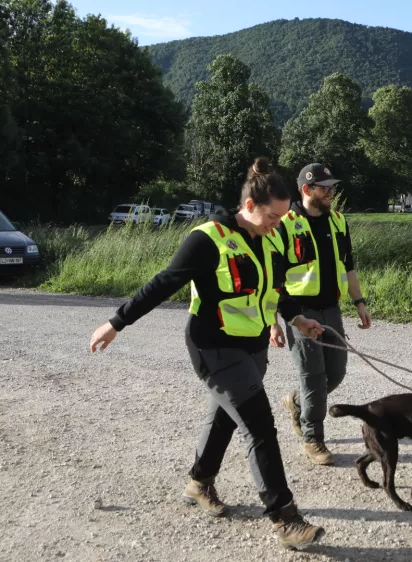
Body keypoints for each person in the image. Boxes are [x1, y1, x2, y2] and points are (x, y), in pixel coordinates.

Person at [88, 157, 326, 550]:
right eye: (272, 216)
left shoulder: (268, 240)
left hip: (252, 348)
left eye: (283, 217)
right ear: (248, 205)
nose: (278, 224)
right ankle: (286, 518)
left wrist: (297, 319)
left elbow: (274, 289)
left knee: (225, 419)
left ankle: (199, 482)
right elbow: (163, 283)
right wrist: (116, 322)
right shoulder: (207, 239)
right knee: (260, 427)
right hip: (212, 347)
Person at [273, 163, 371, 466]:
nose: (331, 193)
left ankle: (297, 402)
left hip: (331, 308)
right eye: (325, 188)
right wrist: (272, 323)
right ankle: (313, 438)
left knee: (336, 373)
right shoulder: (284, 224)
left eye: (333, 187)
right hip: (298, 312)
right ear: (306, 189)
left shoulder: (338, 221)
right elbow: (272, 279)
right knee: (314, 378)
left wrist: (359, 301)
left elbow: (348, 265)